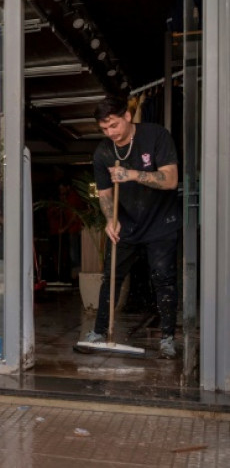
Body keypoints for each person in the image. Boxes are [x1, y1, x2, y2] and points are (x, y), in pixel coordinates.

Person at [84, 95, 181, 359]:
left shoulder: (156, 136)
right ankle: (99, 332)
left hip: (161, 222)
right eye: (104, 129)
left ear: (127, 116)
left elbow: (171, 179)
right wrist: (110, 220)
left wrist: (132, 174)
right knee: (111, 277)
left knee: (163, 278)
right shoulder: (103, 152)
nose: (110, 133)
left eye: (113, 125)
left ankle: (167, 338)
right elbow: (104, 194)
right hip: (127, 223)